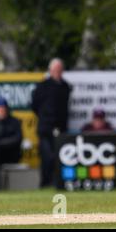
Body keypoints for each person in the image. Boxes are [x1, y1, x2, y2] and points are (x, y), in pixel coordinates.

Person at [31, 58, 71, 187]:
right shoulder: (42, 86)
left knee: (60, 156)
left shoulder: (66, 86)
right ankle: (45, 182)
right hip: (45, 128)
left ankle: (58, 182)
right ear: (50, 70)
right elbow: (34, 106)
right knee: (47, 156)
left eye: (60, 70)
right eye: (55, 69)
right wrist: (46, 117)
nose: (57, 72)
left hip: (61, 128)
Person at [0, 97, 22, 190]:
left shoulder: (14, 122)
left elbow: (17, 139)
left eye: (3, 109)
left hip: (11, 154)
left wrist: (0, 144)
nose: (1, 112)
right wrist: (0, 145)